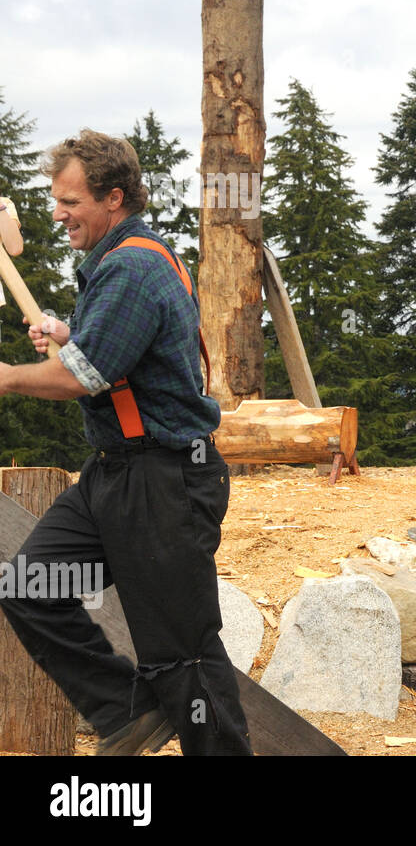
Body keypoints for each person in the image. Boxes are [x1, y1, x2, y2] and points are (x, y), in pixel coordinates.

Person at [0, 129, 252, 756]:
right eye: (54, 200)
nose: (57, 214)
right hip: (115, 476)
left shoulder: (134, 265)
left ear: (114, 199)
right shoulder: (118, 265)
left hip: (164, 481)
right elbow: (102, 352)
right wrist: (67, 330)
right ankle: (129, 710)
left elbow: (82, 375)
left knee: (183, 658)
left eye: (70, 202)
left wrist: (6, 379)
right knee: (30, 585)